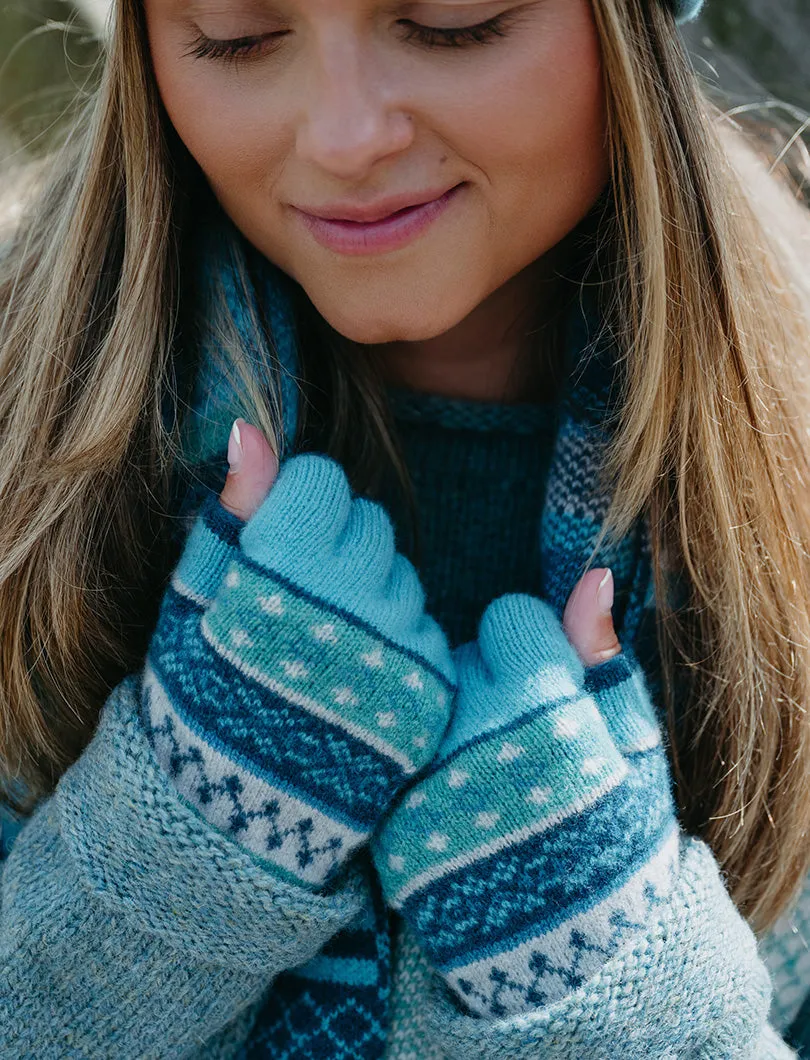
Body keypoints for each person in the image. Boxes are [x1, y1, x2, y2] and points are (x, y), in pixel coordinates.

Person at [1, 0, 810, 1053]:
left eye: (453, 20)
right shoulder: (25, 441)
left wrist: (613, 999)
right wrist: (180, 850)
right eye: (236, 34)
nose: (345, 138)